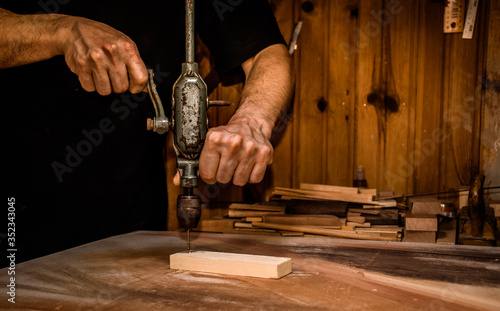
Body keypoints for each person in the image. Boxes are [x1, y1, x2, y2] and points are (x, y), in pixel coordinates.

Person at [1, 0, 294, 265]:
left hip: (132, 223)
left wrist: (252, 121)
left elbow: (265, 52)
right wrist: (61, 30)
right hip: (18, 217)